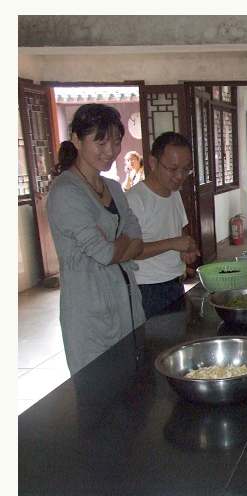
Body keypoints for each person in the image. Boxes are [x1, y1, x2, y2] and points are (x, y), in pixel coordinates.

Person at [47, 103, 146, 375]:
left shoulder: (113, 187)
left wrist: (115, 244)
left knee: (134, 384)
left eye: (115, 142)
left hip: (127, 304)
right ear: (77, 140)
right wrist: (121, 242)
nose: (110, 151)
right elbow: (103, 253)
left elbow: (137, 240)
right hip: (89, 311)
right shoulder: (66, 191)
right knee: (98, 388)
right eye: (100, 143)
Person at [126, 132, 199, 319]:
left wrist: (185, 249)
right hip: (148, 289)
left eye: (186, 169)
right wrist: (173, 243)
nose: (180, 176)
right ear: (153, 162)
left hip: (175, 282)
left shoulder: (173, 192)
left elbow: (178, 230)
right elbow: (128, 250)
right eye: (173, 169)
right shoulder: (135, 200)